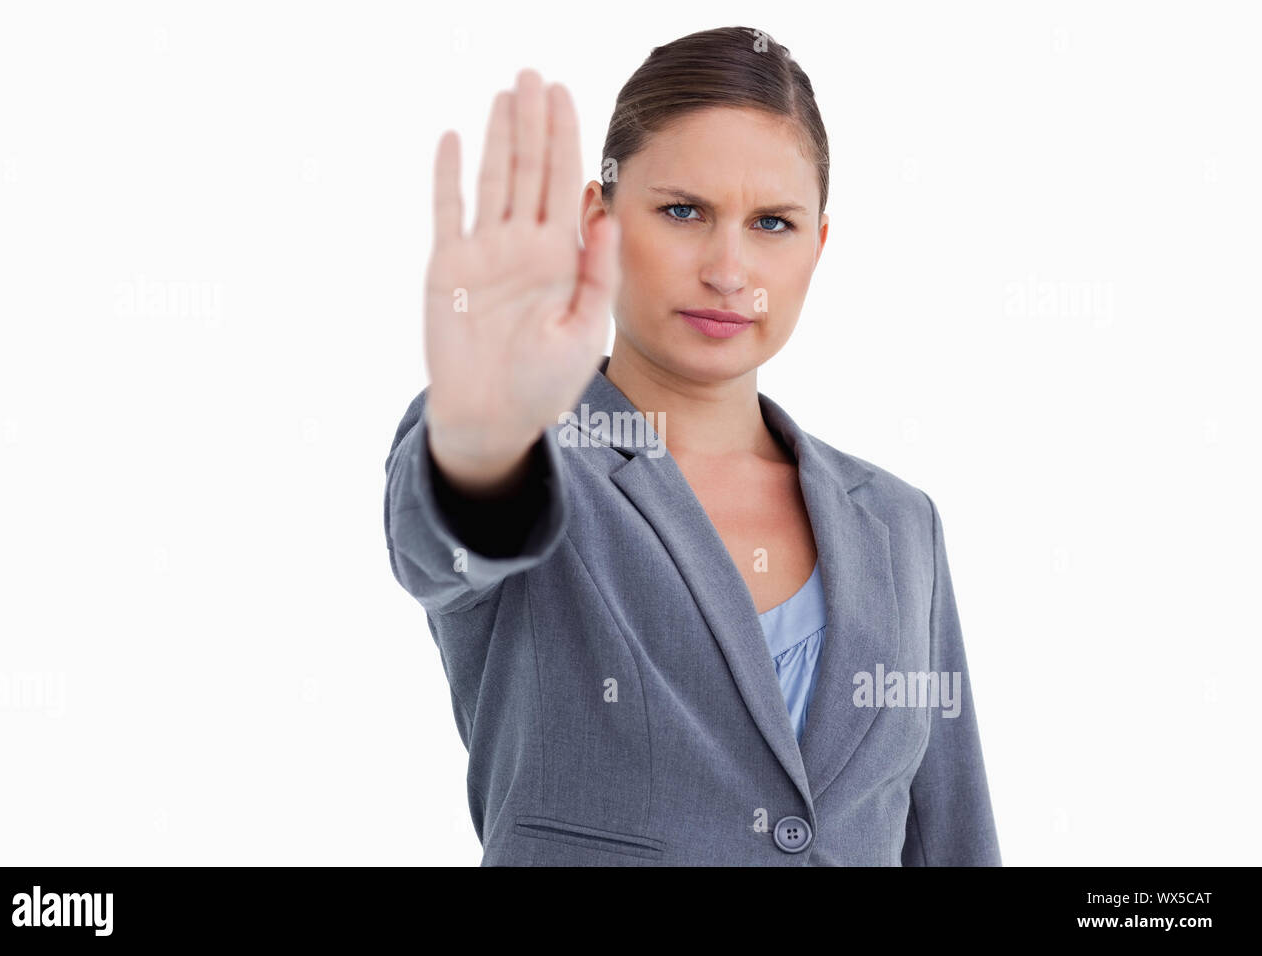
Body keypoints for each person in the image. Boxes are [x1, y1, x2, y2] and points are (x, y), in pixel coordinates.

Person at [384, 26, 1001, 865]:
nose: (728, 268)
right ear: (598, 221)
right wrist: (487, 426)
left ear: (818, 246)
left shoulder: (900, 525)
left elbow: (953, 840)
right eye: (683, 211)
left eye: (773, 224)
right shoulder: (532, 460)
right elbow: (442, 543)